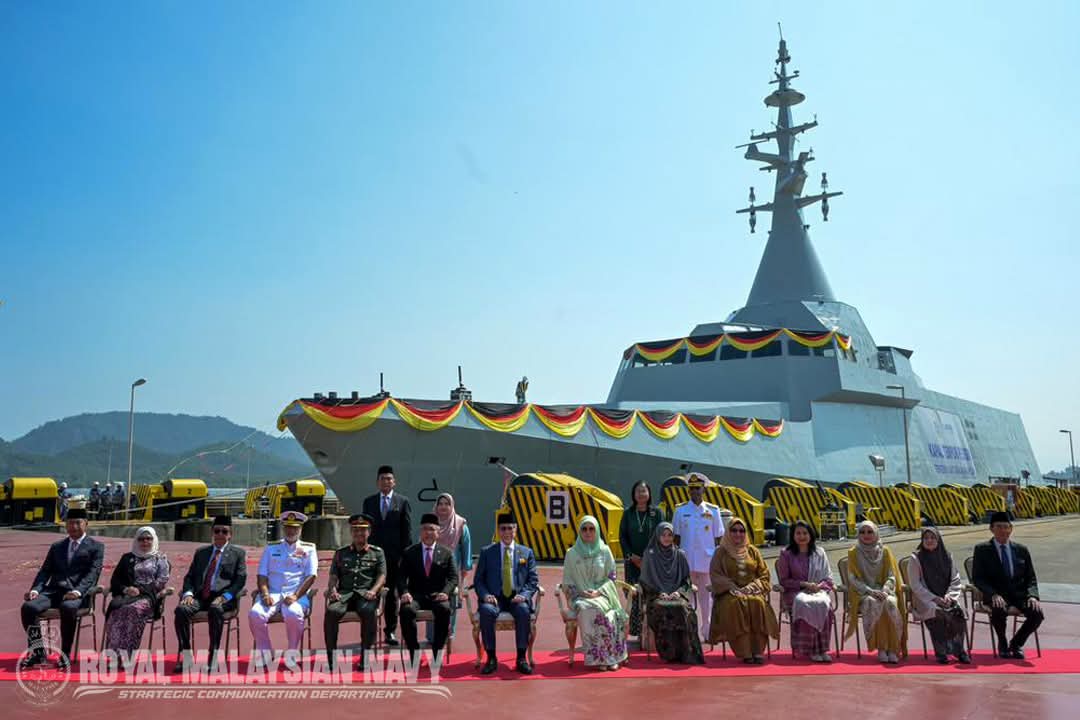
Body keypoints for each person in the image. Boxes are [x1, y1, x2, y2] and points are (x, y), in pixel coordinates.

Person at [20, 508, 105, 669]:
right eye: (70, 523)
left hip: (78, 595)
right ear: (66, 525)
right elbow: (45, 571)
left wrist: (77, 592)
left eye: (77, 523)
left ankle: (64, 654)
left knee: (68, 608)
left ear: (86, 524)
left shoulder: (96, 547)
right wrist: (36, 590)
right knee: (28, 607)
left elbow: (92, 574)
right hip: (54, 592)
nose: (73, 526)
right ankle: (38, 653)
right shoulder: (57, 546)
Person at [174, 515, 246, 672]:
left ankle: (213, 656)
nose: (220, 534)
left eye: (224, 531)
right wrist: (187, 593)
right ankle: (186, 655)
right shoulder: (201, 552)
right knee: (181, 610)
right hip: (200, 597)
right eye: (217, 531)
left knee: (215, 609)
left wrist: (225, 597)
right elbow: (190, 577)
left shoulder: (238, 553)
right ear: (212, 532)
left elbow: (240, 581)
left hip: (223, 598)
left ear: (230, 534)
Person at [249, 511, 319, 668]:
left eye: (294, 528)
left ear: (300, 529)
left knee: (293, 613)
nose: (291, 531)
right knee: (255, 614)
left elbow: (311, 576)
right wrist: (265, 594)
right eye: (288, 527)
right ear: (283, 528)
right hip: (272, 593)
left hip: (296, 594)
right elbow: (262, 574)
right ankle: (266, 653)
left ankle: (292, 652)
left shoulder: (309, 549)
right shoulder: (271, 548)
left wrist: (296, 595)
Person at [473, 512, 539, 675]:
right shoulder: (487, 552)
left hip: (517, 598)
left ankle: (521, 658)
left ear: (515, 530)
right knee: (487, 611)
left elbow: (533, 580)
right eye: (503, 529)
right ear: (499, 531)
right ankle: (491, 657)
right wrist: (485, 595)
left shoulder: (526, 552)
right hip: (495, 598)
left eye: (510, 528)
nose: (507, 532)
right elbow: (478, 580)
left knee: (523, 610)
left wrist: (524, 595)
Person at [972, 510, 1043, 659]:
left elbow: (1031, 577)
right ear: (991, 529)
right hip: (996, 594)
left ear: (1011, 529)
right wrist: (992, 594)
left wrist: (1032, 596)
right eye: (999, 527)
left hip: (1019, 594)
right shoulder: (982, 550)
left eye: (1006, 526)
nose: (1003, 530)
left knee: (1037, 614)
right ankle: (1002, 643)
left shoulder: (1021, 550)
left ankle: (1016, 644)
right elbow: (978, 578)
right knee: (998, 608)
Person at [562, 515, 628, 670]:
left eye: (591, 529)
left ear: (597, 531)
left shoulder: (605, 551)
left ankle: (611, 657)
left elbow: (611, 576)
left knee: (608, 614)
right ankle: (599, 658)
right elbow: (567, 581)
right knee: (588, 610)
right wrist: (581, 593)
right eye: (584, 529)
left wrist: (599, 592)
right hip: (580, 596)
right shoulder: (572, 554)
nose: (588, 532)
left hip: (602, 595)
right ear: (579, 532)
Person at [709, 517, 778, 663]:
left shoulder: (753, 551)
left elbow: (764, 574)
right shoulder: (720, 552)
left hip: (752, 591)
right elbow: (715, 575)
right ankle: (745, 652)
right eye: (734, 530)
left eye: (742, 531)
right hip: (728, 594)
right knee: (736, 606)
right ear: (728, 532)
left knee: (757, 604)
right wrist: (732, 587)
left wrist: (752, 586)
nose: (738, 534)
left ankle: (758, 651)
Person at [325, 513, 386, 671]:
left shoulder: (377, 552)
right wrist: (332, 589)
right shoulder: (341, 552)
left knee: (368, 611)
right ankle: (331, 657)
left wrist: (374, 591)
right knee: (331, 611)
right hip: (344, 594)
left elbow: (382, 575)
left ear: (369, 532)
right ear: (351, 532)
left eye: (363, 530)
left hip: (365, 594)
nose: (359, 533)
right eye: (356, 530)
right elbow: (333, 575)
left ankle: (365, 657)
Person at [362, 465, 413, 646]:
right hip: (372, 556)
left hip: (394, 557)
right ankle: (369, 632)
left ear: (394, 482)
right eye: (383, 478)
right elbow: (364, 530)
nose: (386, 481)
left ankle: (390, 631)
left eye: (389, 479)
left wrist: (405, 556)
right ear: (378, 482)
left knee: (391, 595)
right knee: (371, 592)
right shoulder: (369, 502)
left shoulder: (402, 502)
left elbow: (407, 531)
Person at [639, 522, 704, 664]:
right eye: (663, 535)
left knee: (681, 607)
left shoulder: (680, 554)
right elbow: (645, 581)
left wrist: (678, 592)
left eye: (670, 535)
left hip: (677, 594)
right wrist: (658, 592)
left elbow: (686, 580)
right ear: (657, 536)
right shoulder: (649, 554)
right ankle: (669, 653)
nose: (667, 538)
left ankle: (686, 652)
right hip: (655, 595)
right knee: (662, 607)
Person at [398, 513, 458, 663]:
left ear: (438, 533)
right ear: (421, 532)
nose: (428, 533)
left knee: (444, 609)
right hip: (415, 595)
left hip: (437, 595)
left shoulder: (446, 553)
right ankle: (414, 651)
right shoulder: (409, 552)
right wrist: (404, 592)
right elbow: (400, 577)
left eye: (432, 529)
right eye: (425, 529)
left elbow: (453, 578)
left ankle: (437, 651)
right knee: (406, 610)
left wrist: (445, 593)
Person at [846, 520, 906, 664]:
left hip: (885, 591)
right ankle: (881, 647)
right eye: (862, 532)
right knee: (874, 603)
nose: (866, 535)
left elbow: (892, 576)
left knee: (890, 603)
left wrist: (885, 590)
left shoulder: (885, 551)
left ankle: (892, 648)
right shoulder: (853, 553)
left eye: (870, 531)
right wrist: (870, 591)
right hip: (864, 593)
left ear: (876, 533)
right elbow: (852, 579)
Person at [671, 473, 723, 640]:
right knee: (688, 599)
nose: (694, 492)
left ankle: (707, 632)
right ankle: (690, 632)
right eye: (691, 488)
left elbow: (718, 539)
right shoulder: (680, 511)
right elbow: (676, 539)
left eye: (697, 488)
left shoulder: (713, 511)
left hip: (706, 562)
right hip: (687, 562)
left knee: (706, 600)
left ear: (704, 489)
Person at [776, 520, 835, 662]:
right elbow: (784, 581)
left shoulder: (820, 553)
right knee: (806, 604)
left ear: (811, 535)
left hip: (817, 590)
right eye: (798, 533)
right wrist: (804, 584)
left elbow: (828, 578)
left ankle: (822, 649)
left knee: (823, 604)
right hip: (795, 591)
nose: (801, 536)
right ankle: (809, 650)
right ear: (793, 535)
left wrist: (818, 586)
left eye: (805, 533)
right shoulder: (786, 554)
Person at [909, 527, 970, 664]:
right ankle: (941, 652)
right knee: (937, 612)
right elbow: (915, 585)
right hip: (925, 599)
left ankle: (959, 650)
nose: (929, 540)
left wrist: (950, 596)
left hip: (946, 597)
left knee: (958, 612)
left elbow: (955, 579)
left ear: (938, 540)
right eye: (926, 538)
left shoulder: (947, 556)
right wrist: (934, 598)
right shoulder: (916, 558)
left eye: (933, 538)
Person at [104, 527, 170, 653]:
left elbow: (161, 582)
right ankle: (114, 651)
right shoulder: (127, 558)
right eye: (141, 539)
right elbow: (115, 580)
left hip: (149, 597)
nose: (145, 542)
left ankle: (128, 651)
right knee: (118, 609)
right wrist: (126, 589)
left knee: (132, 610)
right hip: (127, 596)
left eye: (148, 538)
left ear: (154, 539)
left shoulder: (161, 559)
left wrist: (140, 589)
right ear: (136, 540)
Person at [618, 480, 663, 639]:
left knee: (651, 595)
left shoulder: (657, 513)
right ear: (633, 494)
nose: (641, 494)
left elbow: (661, 536)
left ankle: (651, 630)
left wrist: (648, 558)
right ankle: (637, 631)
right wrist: (631, 556)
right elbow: (622, 537)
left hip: (652, 563)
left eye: (644, 491)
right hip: (632, 562)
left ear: (649, 493)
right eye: (638, 491)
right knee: (634, 594)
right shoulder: (628, 513)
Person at [431, 492, 472, 643]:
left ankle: (450, 632)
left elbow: (466, 547)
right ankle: (432, 634)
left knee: (452, 600)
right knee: (433, 599)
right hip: (432, 569)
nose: (443, 507)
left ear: (452, 505)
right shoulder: (430, 523)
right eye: (440, 503)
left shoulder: (461, 524)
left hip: (452, 571)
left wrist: (465, 569)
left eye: (446, 504)